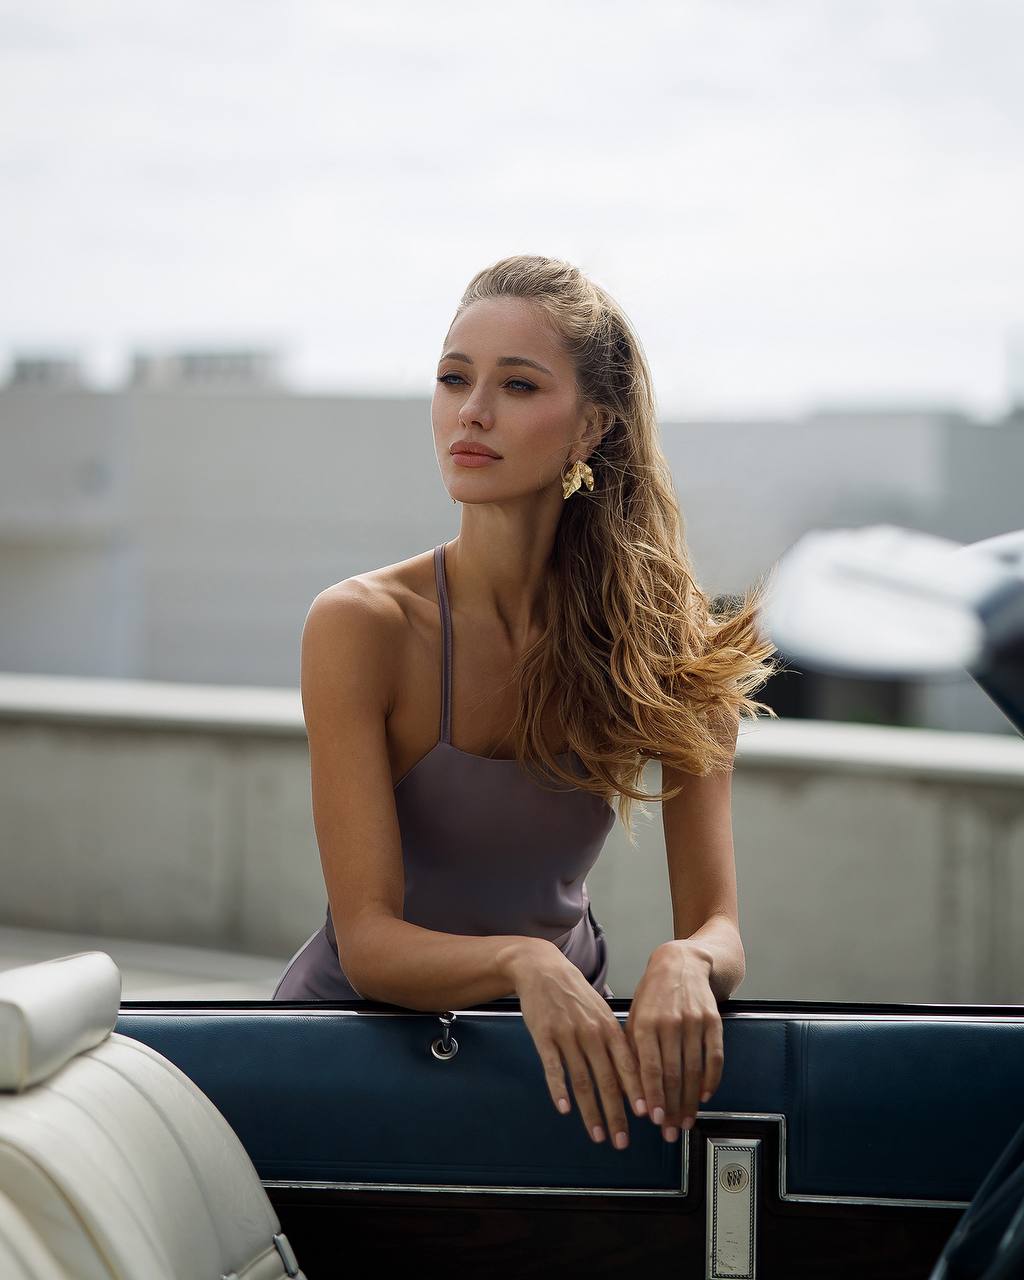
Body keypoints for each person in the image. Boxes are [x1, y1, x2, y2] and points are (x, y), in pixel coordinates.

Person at [272, 254, 780, 1154]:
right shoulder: (361, 626)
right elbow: (369, 942)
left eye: (516, 384)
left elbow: (720, 927)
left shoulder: (667, 644)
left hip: (559, 1061)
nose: (471, 412)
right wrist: (523, 959)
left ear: (591, 427)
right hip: (353, 1049)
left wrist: (686, 960)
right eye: (453, 379)